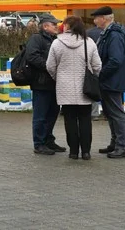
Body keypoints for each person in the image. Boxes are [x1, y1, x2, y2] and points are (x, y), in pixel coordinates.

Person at [46, 15, 102, 161]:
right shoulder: (89, 42)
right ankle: (86, 152)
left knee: (69, 120)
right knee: (85, 119)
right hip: (85, 87)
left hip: (64, 88)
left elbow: (50, 66)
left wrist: (58, 78)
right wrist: (93, 75)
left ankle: (73, 152)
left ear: (67, 27)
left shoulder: (57, 43)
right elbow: (97, 65)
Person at [92, 6, 125, 159]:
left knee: (116, 113)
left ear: (104, 18)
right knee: (110, 113)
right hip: (110, 81)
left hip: (112, 81)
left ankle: (122, 146)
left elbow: (115, 60)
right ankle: (115, 143)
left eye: (96, 18)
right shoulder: (109, 33)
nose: (95, 21)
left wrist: (100, 74)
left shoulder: (114, 35)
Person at [25, 14, 64, 155]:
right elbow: (32, 56)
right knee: (40, 116)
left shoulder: (56, 40)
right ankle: (39, 143)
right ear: (46, 26)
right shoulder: (36, 39)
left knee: (53, 114)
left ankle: (48, 140)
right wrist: (49, 66)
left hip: (54, 83)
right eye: (54, 24)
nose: (56, 27)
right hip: (41, 83)